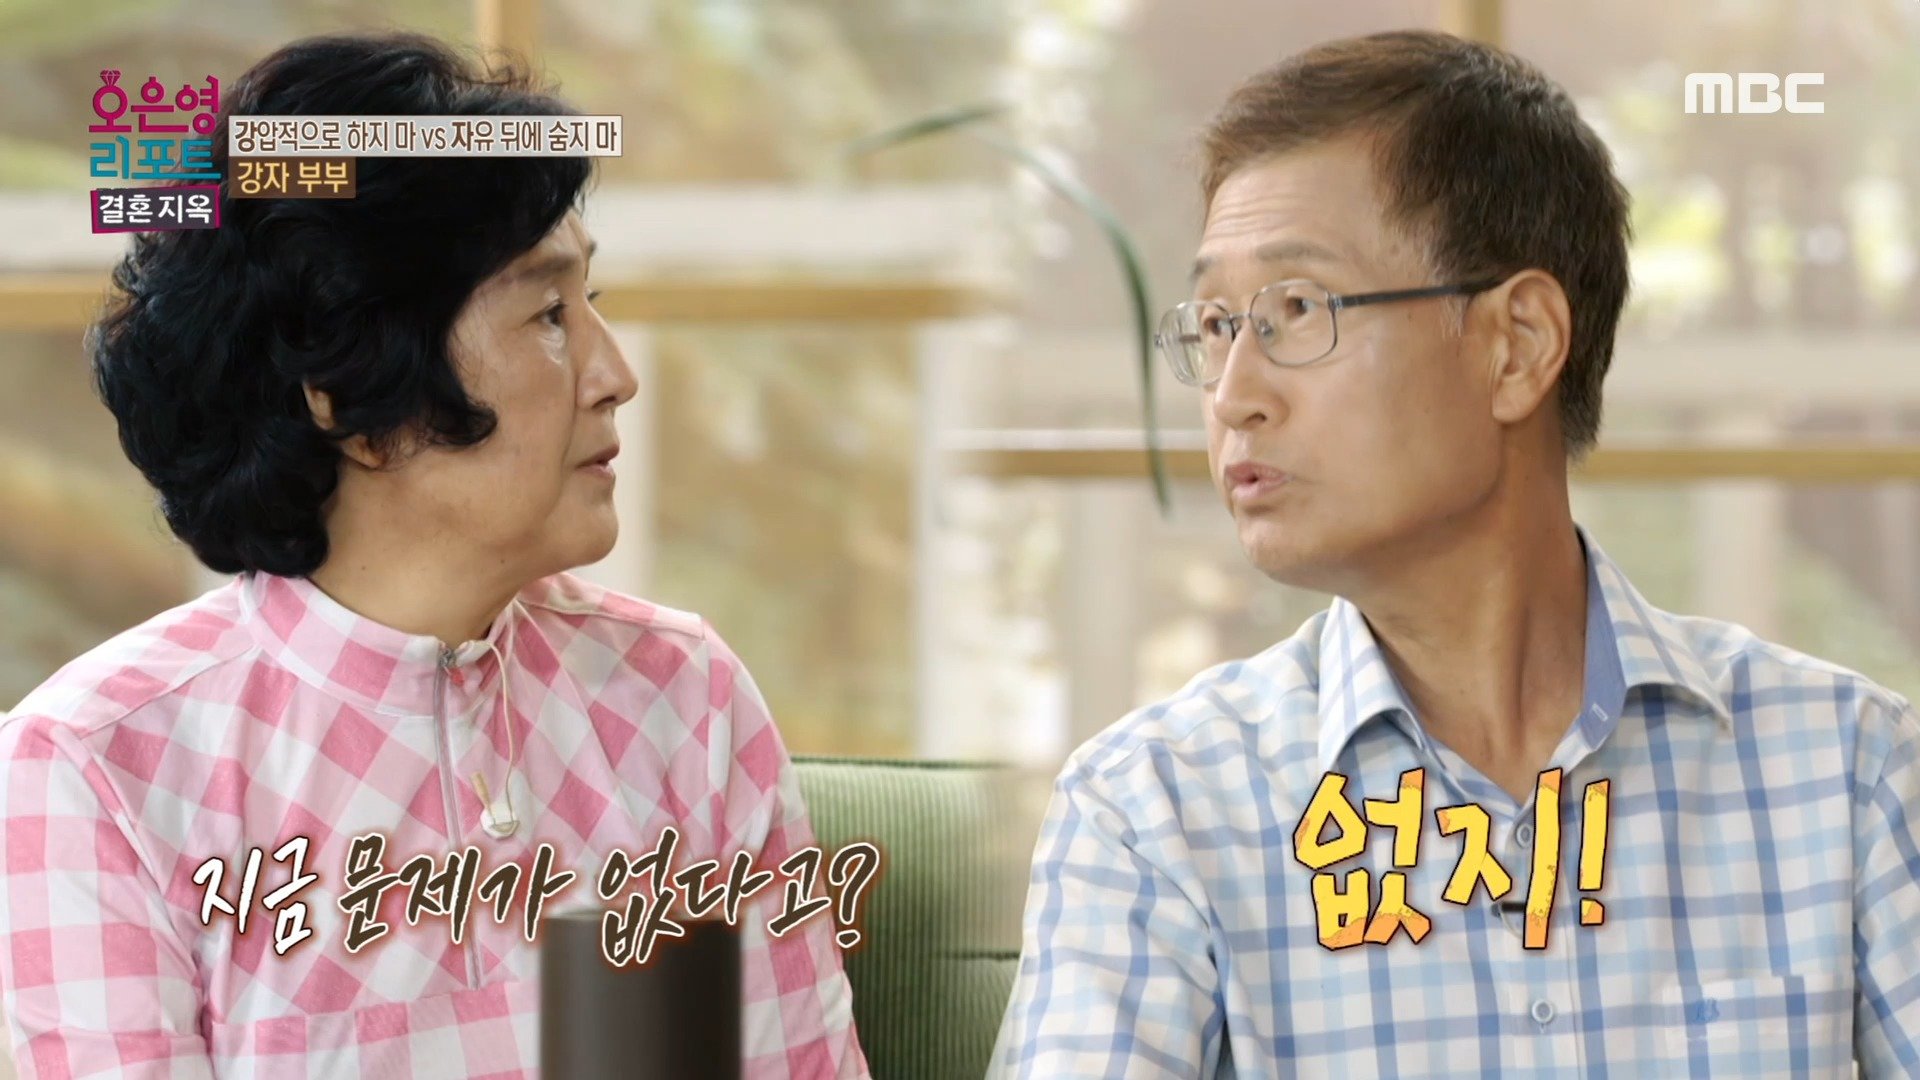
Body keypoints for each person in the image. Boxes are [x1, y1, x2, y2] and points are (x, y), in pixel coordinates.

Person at [993, 29, 1920, 1078]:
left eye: (1295, 309)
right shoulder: (1152, 811)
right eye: (1216, 324)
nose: (1234, 393)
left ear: (1518, 345)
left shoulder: (1846, 771)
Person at [0, 33, 867, 1079]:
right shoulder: (96, 768)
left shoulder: (678, 700)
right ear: (351, 397)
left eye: (592, 303)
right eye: (549, 314)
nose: (616, 374)